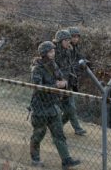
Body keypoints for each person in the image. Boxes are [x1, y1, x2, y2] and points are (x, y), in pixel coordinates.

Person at [29, 41, 81, 169]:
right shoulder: (37, 69)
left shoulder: (54, 65)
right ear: (44, 53)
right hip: (40, 107)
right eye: (51, 51)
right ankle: (35, 159)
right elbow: (38, 87)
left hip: (53, 106)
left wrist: (65, 83)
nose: (54, 53)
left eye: (54, 51)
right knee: (38, 134)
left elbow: (61, 79)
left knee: (59, 135)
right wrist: (56, 86)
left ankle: (66, 160)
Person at [53, 30, 86, 136]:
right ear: (60, 41)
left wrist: (72, 79)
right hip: (56, 86)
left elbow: (69, 67)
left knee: (70, 108)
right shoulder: (53, 53)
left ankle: (74, 128)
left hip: (67, 84)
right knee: (61, 109)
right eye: (66, 40)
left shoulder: (68, 51)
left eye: (69, 40)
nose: (69, 42)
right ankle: (58, 127)